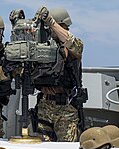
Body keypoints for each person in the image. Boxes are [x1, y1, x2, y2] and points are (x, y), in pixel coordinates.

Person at [33, 6, 85, 142]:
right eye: (64, 26)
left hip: (66, 108)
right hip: (45, 105)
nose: (65, 30)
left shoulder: (73, 46)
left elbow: (72, 43)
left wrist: (51, 22)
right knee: (43, 148)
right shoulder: (40, 48)